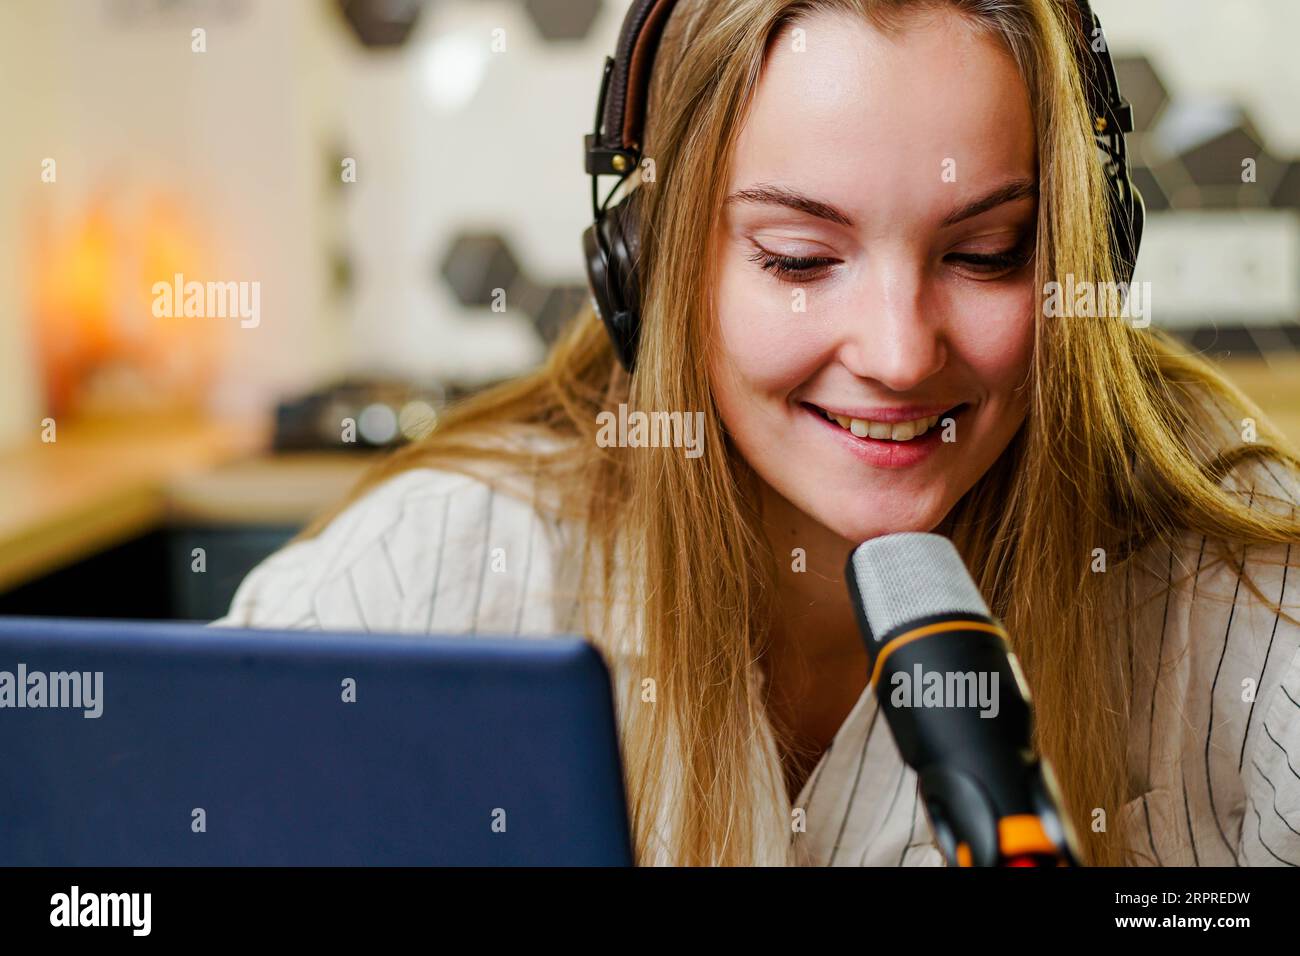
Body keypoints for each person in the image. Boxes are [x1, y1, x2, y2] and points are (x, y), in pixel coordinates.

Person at [212, 0, 1300, 867]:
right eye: (797, 256)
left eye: (986, 251)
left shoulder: (1250, 610)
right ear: (650, 263)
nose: (897, 352)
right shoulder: (425, 584)